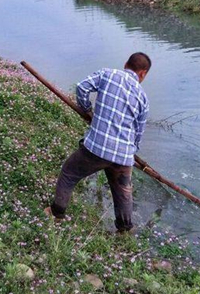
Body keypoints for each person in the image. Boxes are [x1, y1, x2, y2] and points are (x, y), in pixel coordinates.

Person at [45, 52, 151, 232]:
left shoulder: (107, 74)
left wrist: (87, 110)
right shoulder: (143, 98)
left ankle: (57, 213)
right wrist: (131, 151)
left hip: (96, 148)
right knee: (123, 193)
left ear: (126, 63)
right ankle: (124, 230)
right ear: (143, 74)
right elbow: (138, 132)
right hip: (123, 155)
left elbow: (82, 87)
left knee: (69, 173)